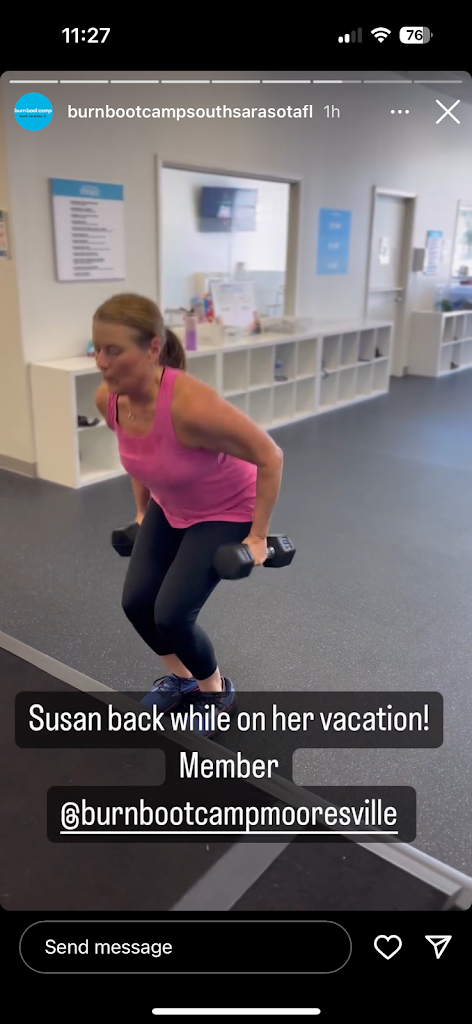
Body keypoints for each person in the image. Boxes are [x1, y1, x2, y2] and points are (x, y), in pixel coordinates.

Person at [94, 293, 283, 736]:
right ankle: (182, 679)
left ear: (152, 349)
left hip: (226, 507)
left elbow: (270, 456)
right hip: (170, 504)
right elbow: (139, 458)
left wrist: (257, 537)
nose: (101, 362)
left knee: (173, 614)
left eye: (114, 350)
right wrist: (142, 512)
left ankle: (216, 692)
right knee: (137, 603)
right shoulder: (110, 399)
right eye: (97, 349)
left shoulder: (192, 404)